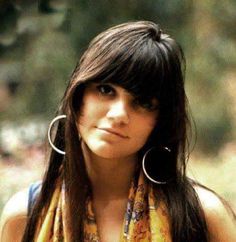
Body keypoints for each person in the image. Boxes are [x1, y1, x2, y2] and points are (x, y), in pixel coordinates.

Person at [0, 21, 235, 242]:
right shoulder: (24, 216)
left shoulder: (204, 217)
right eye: (105, 90)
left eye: (143, 102)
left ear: (160, 121)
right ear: (78, 96)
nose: (119, 114)